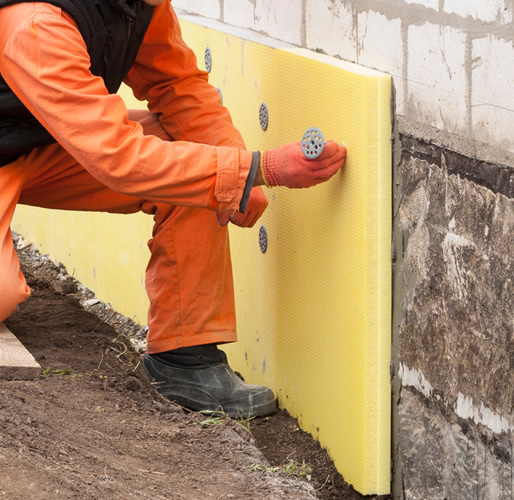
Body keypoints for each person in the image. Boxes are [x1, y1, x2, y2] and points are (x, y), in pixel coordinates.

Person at [0, 0, 346, 418]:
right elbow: (119, 158)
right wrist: (259, 168)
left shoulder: (139, 5)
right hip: (28, 144)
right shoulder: (36, 24)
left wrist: (234, 165)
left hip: (42, 143)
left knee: (196, 161)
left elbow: (179, 86)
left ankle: (186, 359)